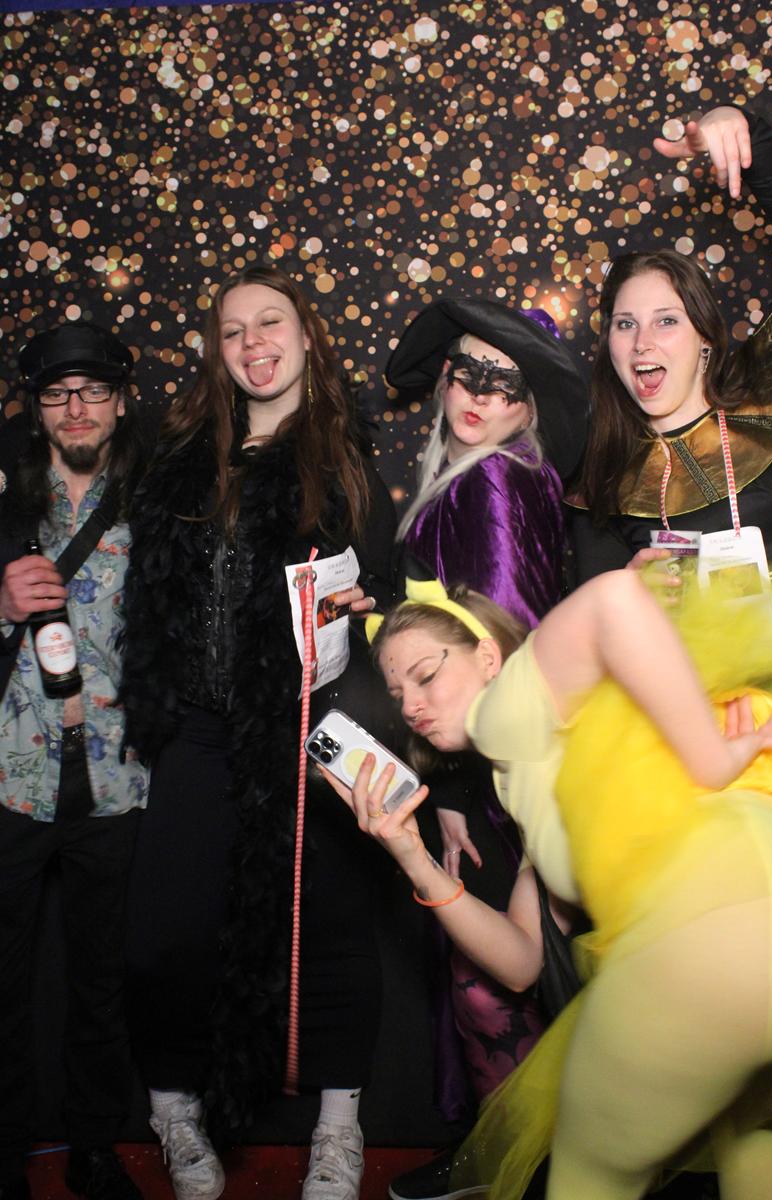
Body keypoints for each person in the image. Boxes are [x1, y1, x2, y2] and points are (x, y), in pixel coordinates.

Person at [322, 573, 772, 1200]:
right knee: (747, 1128)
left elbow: (614, 599)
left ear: (488, 657)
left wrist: (709, 757)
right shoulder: (555, 768)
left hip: (714, 943)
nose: (410, 705)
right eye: (397, 692)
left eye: (426, 676)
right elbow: (522, 961)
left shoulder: (502, 712)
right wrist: (411, 854)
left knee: (588, 1174)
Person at [120, 264, 397, 1200]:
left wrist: (362, 604)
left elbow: (386, 593)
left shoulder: (345, 462)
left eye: (269, 322)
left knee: (332, 926)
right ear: (217, 351)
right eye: (233, 330)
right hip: (198, 731)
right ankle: (172, 1110)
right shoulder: (179, 453)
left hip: (305, 725)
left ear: (306, 335)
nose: (253, 344)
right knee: (165, 934)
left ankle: (338, 1128)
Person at [384, 300, 587, 1195]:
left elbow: (505, 643)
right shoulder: (488, 475)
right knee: (506, 976)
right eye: (467, 372)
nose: (480, 394)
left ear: (529, 404)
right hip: (501, 766)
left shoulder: (494, 482)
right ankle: (511, 1161)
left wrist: (461, 787)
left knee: (502, 982)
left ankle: (520, 1169)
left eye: (505, 383)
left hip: (516, 768)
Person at [0, 322, 149, 1200]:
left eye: (94, 390)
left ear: (121, 402)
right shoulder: (5, 500)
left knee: (103, 980)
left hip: (118, 777)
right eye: (58, 394)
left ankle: (95, 1146)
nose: (77, 407)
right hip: (10, 775)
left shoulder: (162, 503)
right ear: (37, 410)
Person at [570, 104, 772, 589]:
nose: (643, 342)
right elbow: (593, 609)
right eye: (625, 324)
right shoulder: (601, 479)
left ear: (705, 338)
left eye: (667, 321)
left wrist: (744, 128)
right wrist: (625, 593)